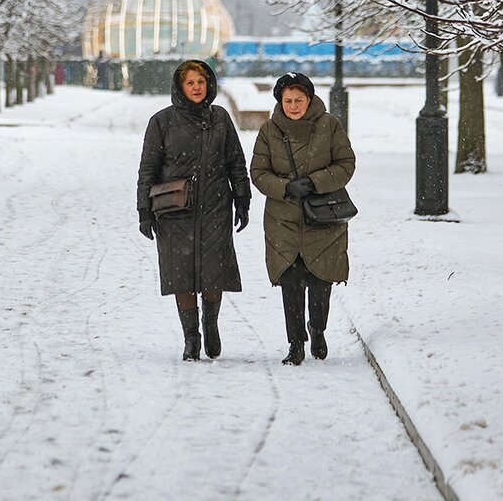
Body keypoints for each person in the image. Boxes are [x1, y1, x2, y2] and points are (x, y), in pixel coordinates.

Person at [137, 60, 251, 361]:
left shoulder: (220, 119)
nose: (197, 87)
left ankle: (210, 324)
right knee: (181, 276)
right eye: (190, 82)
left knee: (214, 273)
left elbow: (236, 163)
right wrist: (144, 211)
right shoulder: (161, 121)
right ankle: (191, 337)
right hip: (174, 210)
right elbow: (147, 169)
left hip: (215, 207)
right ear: (180, 87)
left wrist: (243, 199)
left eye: (201, 81)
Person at [250, 72, 356, 365]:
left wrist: (316, 182)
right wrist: (285, 187)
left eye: (299, 100)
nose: (293, 106)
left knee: (322, 279)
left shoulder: (329, 125)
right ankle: (295, 342)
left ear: (309, 100)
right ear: (279, 102)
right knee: (291, 282)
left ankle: (318, 329)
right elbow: (258, 173)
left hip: (323, 217)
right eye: (288, 100)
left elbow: (346, 163)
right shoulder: (269, 131)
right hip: (282, 220)